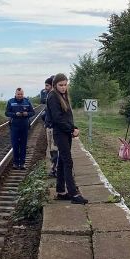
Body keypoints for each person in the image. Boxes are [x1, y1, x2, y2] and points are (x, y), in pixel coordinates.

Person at [45, 73, 88, 205]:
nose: (63, 87)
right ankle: (73, 193)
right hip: (60, 133)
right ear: (55, 85)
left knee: (63, 162)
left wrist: (74, 127)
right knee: (68, 162)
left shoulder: (63, 95)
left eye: (65, 84)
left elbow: (67, 116)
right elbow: (57, 119)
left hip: (65, 132)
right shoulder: (53, 96)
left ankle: (61, 191)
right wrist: (71, 130)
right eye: (60, 85)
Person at [5, 87, 34, 170]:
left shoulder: (27, 101)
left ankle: (22, 163)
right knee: (15, 145)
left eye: (21, 94)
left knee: (23, 145)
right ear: (15, 94)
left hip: (24, 126)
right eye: (18, 94)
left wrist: (26, 114)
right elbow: (7, 113)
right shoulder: (11, 101)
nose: (20, 96)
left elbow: (32, 112)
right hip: (14, 126)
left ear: (23, 94)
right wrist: (15, 114)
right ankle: (15, 162)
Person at [40, 76, 58, 177]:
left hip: (53, 127)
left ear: (51, 86)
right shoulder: (50, 96)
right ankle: (54, 168)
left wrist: (48, 121)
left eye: (47, 85)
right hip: (50, 126)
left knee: (54, 148)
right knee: (52, 149)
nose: (45, 88)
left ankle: (55, 169)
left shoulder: (53, 97)